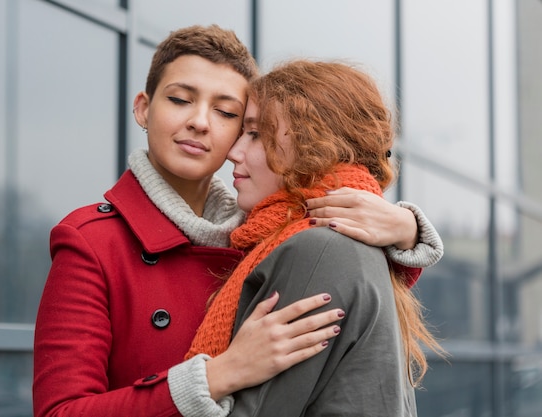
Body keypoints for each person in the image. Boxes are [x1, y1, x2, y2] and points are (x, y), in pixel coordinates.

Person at [33, 25, 442, 417]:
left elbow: (350, 289)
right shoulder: (93, 242)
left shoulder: (271, 230)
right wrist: (218, 375)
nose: (199, 121)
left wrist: (406, 231)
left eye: (226, 112)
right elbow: (59, 411)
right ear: (143, 109)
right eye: (180, 99)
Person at [186, 59, 445, 416]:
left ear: (314, 143)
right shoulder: (349, 239)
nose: (234, 152)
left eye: (256, 133)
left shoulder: (319, 246)